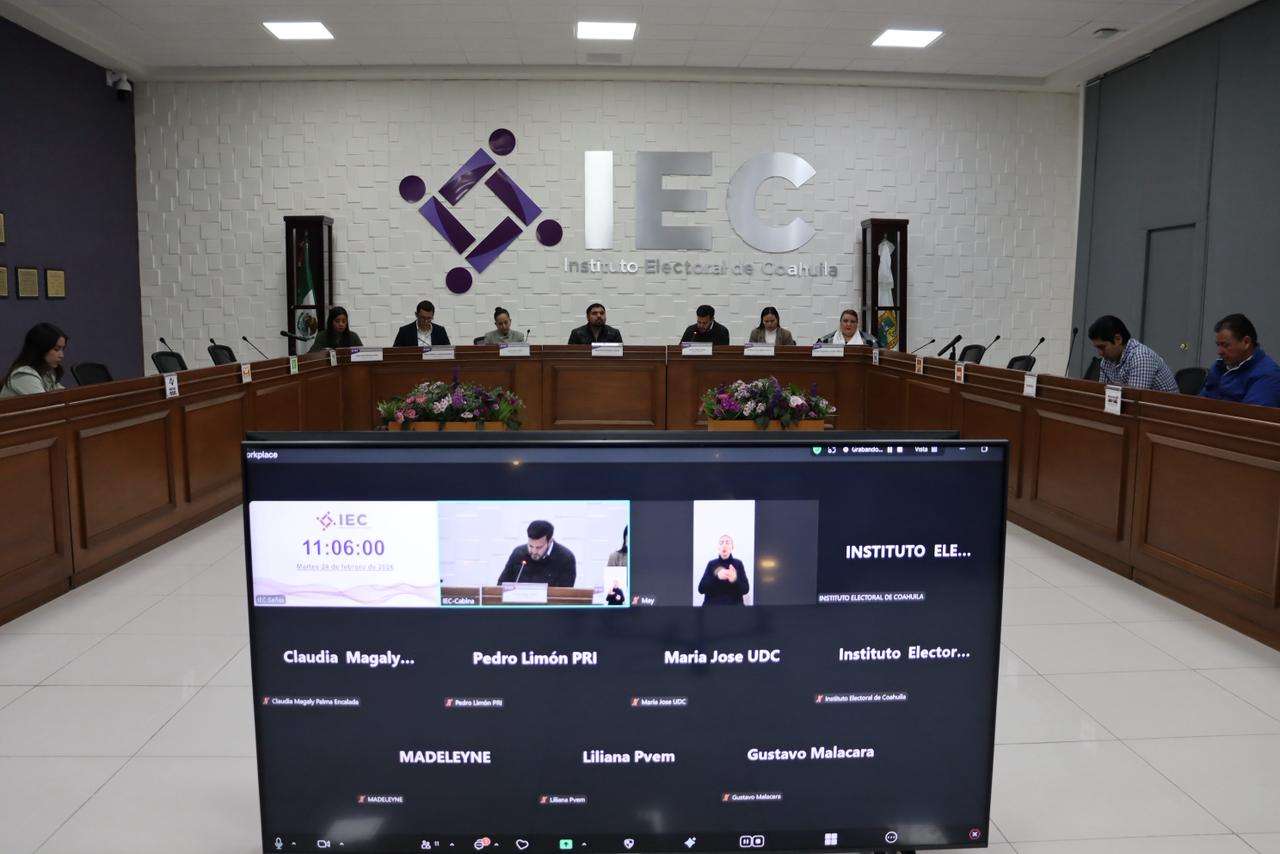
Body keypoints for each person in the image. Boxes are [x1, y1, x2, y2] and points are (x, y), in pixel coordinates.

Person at [1200, 313, 1280, 407]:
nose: (1219, 352)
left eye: (1225, 345)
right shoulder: (1219, 367)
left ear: (1246, 342)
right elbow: (1199, 402)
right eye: (1218, 345)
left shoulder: (1268, 375)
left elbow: (1251, 414)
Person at [1087, 315, 1177, 392]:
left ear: (1118, 339)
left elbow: (1134, 399)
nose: (1100, 353)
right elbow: (1104, 394)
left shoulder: (1141, 357)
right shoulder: (1107, 360)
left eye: (1102, 347)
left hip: (1166, 406)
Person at [497, 520, 577, 587]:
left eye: (539, 547)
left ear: (550, 541)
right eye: (530, 546)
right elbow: (501, 585)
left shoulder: (565, 558)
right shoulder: (518, 553)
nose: (534, 551)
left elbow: (564, 593)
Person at [2, 323, 68, 397]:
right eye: (56, 349)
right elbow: (45, 402)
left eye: (62, 349)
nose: (61, 355)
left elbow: (65, 396)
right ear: (41, 349)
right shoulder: (23, 375)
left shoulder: (47, 372)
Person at [697, 534, 749, 606]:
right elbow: (701, 589)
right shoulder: (711, 564)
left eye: (727, 543)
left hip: (733, 609)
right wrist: (716, 577)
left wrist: (735, 580)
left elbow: (745, 590)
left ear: (732, 547)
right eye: (721, 543)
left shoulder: (738, 564)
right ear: (718, 548)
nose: (724, 545)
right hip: (713, 608)